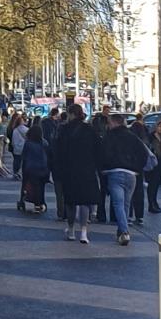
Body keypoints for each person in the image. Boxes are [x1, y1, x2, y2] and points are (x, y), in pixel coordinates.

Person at [100, 114, 147, 245]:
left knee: (118, 204)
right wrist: (137, 168)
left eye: (109, 123)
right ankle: (122, 231)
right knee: (126, 204)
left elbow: (103, 153)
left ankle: (124, 231)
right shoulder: (132, 137)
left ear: (114, 123)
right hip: (131, 173)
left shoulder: (109, 137)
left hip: (115, 172)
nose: (107, 125)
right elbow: (144, 153)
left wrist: (104, 168)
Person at [57, 104, 100, 244]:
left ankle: (70, 230)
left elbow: (59, 151)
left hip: (69, 170)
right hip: (87, 170)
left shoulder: (64, 130)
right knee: (85, 202)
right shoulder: (90, 129)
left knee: (71, 202)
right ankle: (83, 232)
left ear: (71, 114)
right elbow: (98, 149)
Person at [21, 124, 49, 213]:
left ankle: (31, 202)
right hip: (43, 168)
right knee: (41, 187)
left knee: (31, 185)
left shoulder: (28, 143)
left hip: (31, 168)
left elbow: (24, 157)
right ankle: (41, 202)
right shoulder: (44, 143)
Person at [42, 108, 64, 220]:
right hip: (66, 169)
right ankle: (68, 212)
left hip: (57, 169)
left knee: (59, 192)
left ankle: (61, 212)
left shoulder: (53, 142)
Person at [128, 118, 150, 226]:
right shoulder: (144, 141)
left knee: (129, 193)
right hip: (139, 170)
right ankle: (139, 216)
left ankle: (129, 215)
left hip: (129, 169)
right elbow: (145, 156)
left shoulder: (129, 140)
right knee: (139, 193)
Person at [11, 114, 29, 180]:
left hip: (16, 148)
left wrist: (14, 146)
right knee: (23, 161)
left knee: (16, 161)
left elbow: (13, 140)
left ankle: (15, 172)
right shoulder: (27, 129)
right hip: (24, 148)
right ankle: (21, 173)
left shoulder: (15, 130)